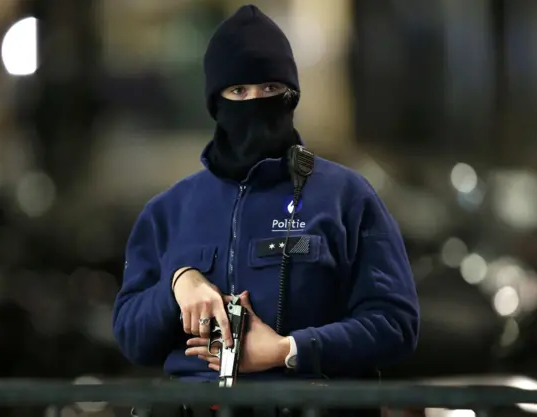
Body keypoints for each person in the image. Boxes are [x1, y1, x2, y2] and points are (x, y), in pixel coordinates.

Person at [113, 3, 419, 387]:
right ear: (216, 102)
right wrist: (176, 285)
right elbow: (130, 336)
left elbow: (396, 323)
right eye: (239, 90)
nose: (255, 101)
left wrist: (290, 350)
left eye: (270, 88)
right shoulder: (168, 212)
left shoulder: (347, 198)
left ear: (291, 96)